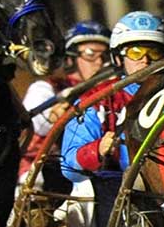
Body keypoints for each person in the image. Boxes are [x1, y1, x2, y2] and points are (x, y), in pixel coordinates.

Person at [57, 11, 164, 227]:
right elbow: (69, 166)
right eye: (135, 53)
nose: (145, 61)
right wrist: (97, 150)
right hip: (111, 189)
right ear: (119, 58)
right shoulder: (97, 100)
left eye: (154, 52)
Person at [20, 20, 111, 187]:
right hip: (40, 180)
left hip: (93, 174)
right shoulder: (46, 89)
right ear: (70, 59)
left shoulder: (111, 93)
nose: (100, 63)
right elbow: (37, 125)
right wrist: (57, 114)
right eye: (91, 54)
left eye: (105, 56)